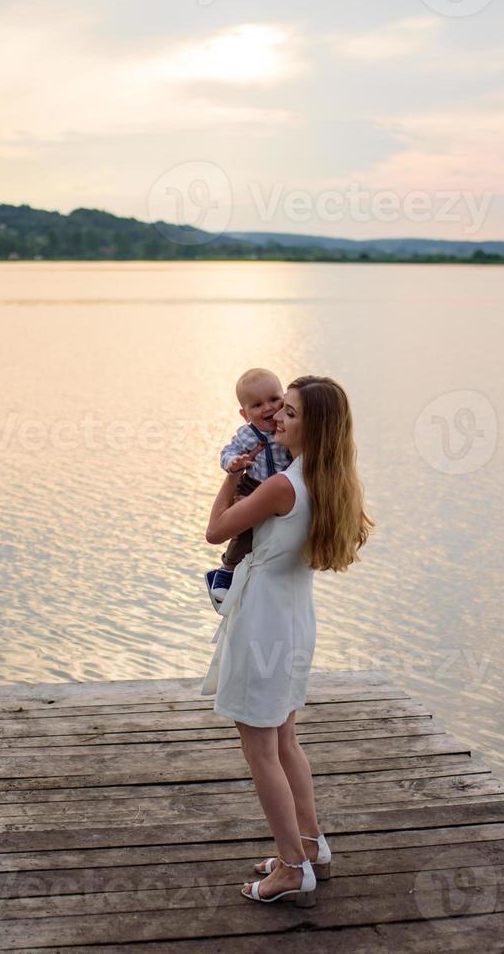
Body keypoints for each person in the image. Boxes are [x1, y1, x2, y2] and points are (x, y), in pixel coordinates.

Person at [201, 375, 374, 905]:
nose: (277, 418)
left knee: (260, 749)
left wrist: (232, 477)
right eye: (281, 410)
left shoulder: (281, 486)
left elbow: (216, 530)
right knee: (284, 739)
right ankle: (310, 843)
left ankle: (291, 868)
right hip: (296, 618)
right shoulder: (331, 480)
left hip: (263, 622)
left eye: (291, 413)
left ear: (314, 428)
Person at [205, 367, 293, 610]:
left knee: (268, 532)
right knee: (243, 531)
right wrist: (234, 463)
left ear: (284, 398)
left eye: (274, 399)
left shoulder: (286, 427)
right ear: (245, 414)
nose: (268, 408)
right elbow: (228, 451)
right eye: (257, 405)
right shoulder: (248, 435)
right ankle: (227, 569)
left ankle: (250, 574)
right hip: (252, 484)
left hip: (278, 488)